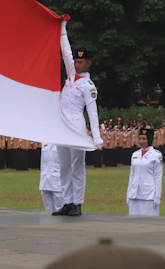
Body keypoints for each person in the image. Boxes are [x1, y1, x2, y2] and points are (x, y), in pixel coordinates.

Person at [53, 19, 103, 217]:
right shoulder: (72, 75)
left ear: (88, 63)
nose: (76, 63)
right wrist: (62, 29)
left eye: (80, 61)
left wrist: (97, 136)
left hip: (76, 124)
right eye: (76, 60)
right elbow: (65, 51)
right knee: (63, 165)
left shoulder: (88, 85)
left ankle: (78, 203)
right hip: (62, 124)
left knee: (77, 165)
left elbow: (93, 111)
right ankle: (67, 201)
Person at [126, 126, 163, 216]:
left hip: (149, 194)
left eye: (144, 139)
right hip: (135, 193)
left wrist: (157, 196)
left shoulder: (156, 155)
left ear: (149, 139)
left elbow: (158, 177)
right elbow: (132, 175)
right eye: (140, 139)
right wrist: (128, 193)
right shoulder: (135, 154)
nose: (141, 141)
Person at [40, 144, 65, 211]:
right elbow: (43, 163)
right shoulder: (44, 142)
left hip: (58, 179)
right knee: (48, 209)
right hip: (45, 180)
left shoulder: (62, 142)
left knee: (59, 207)